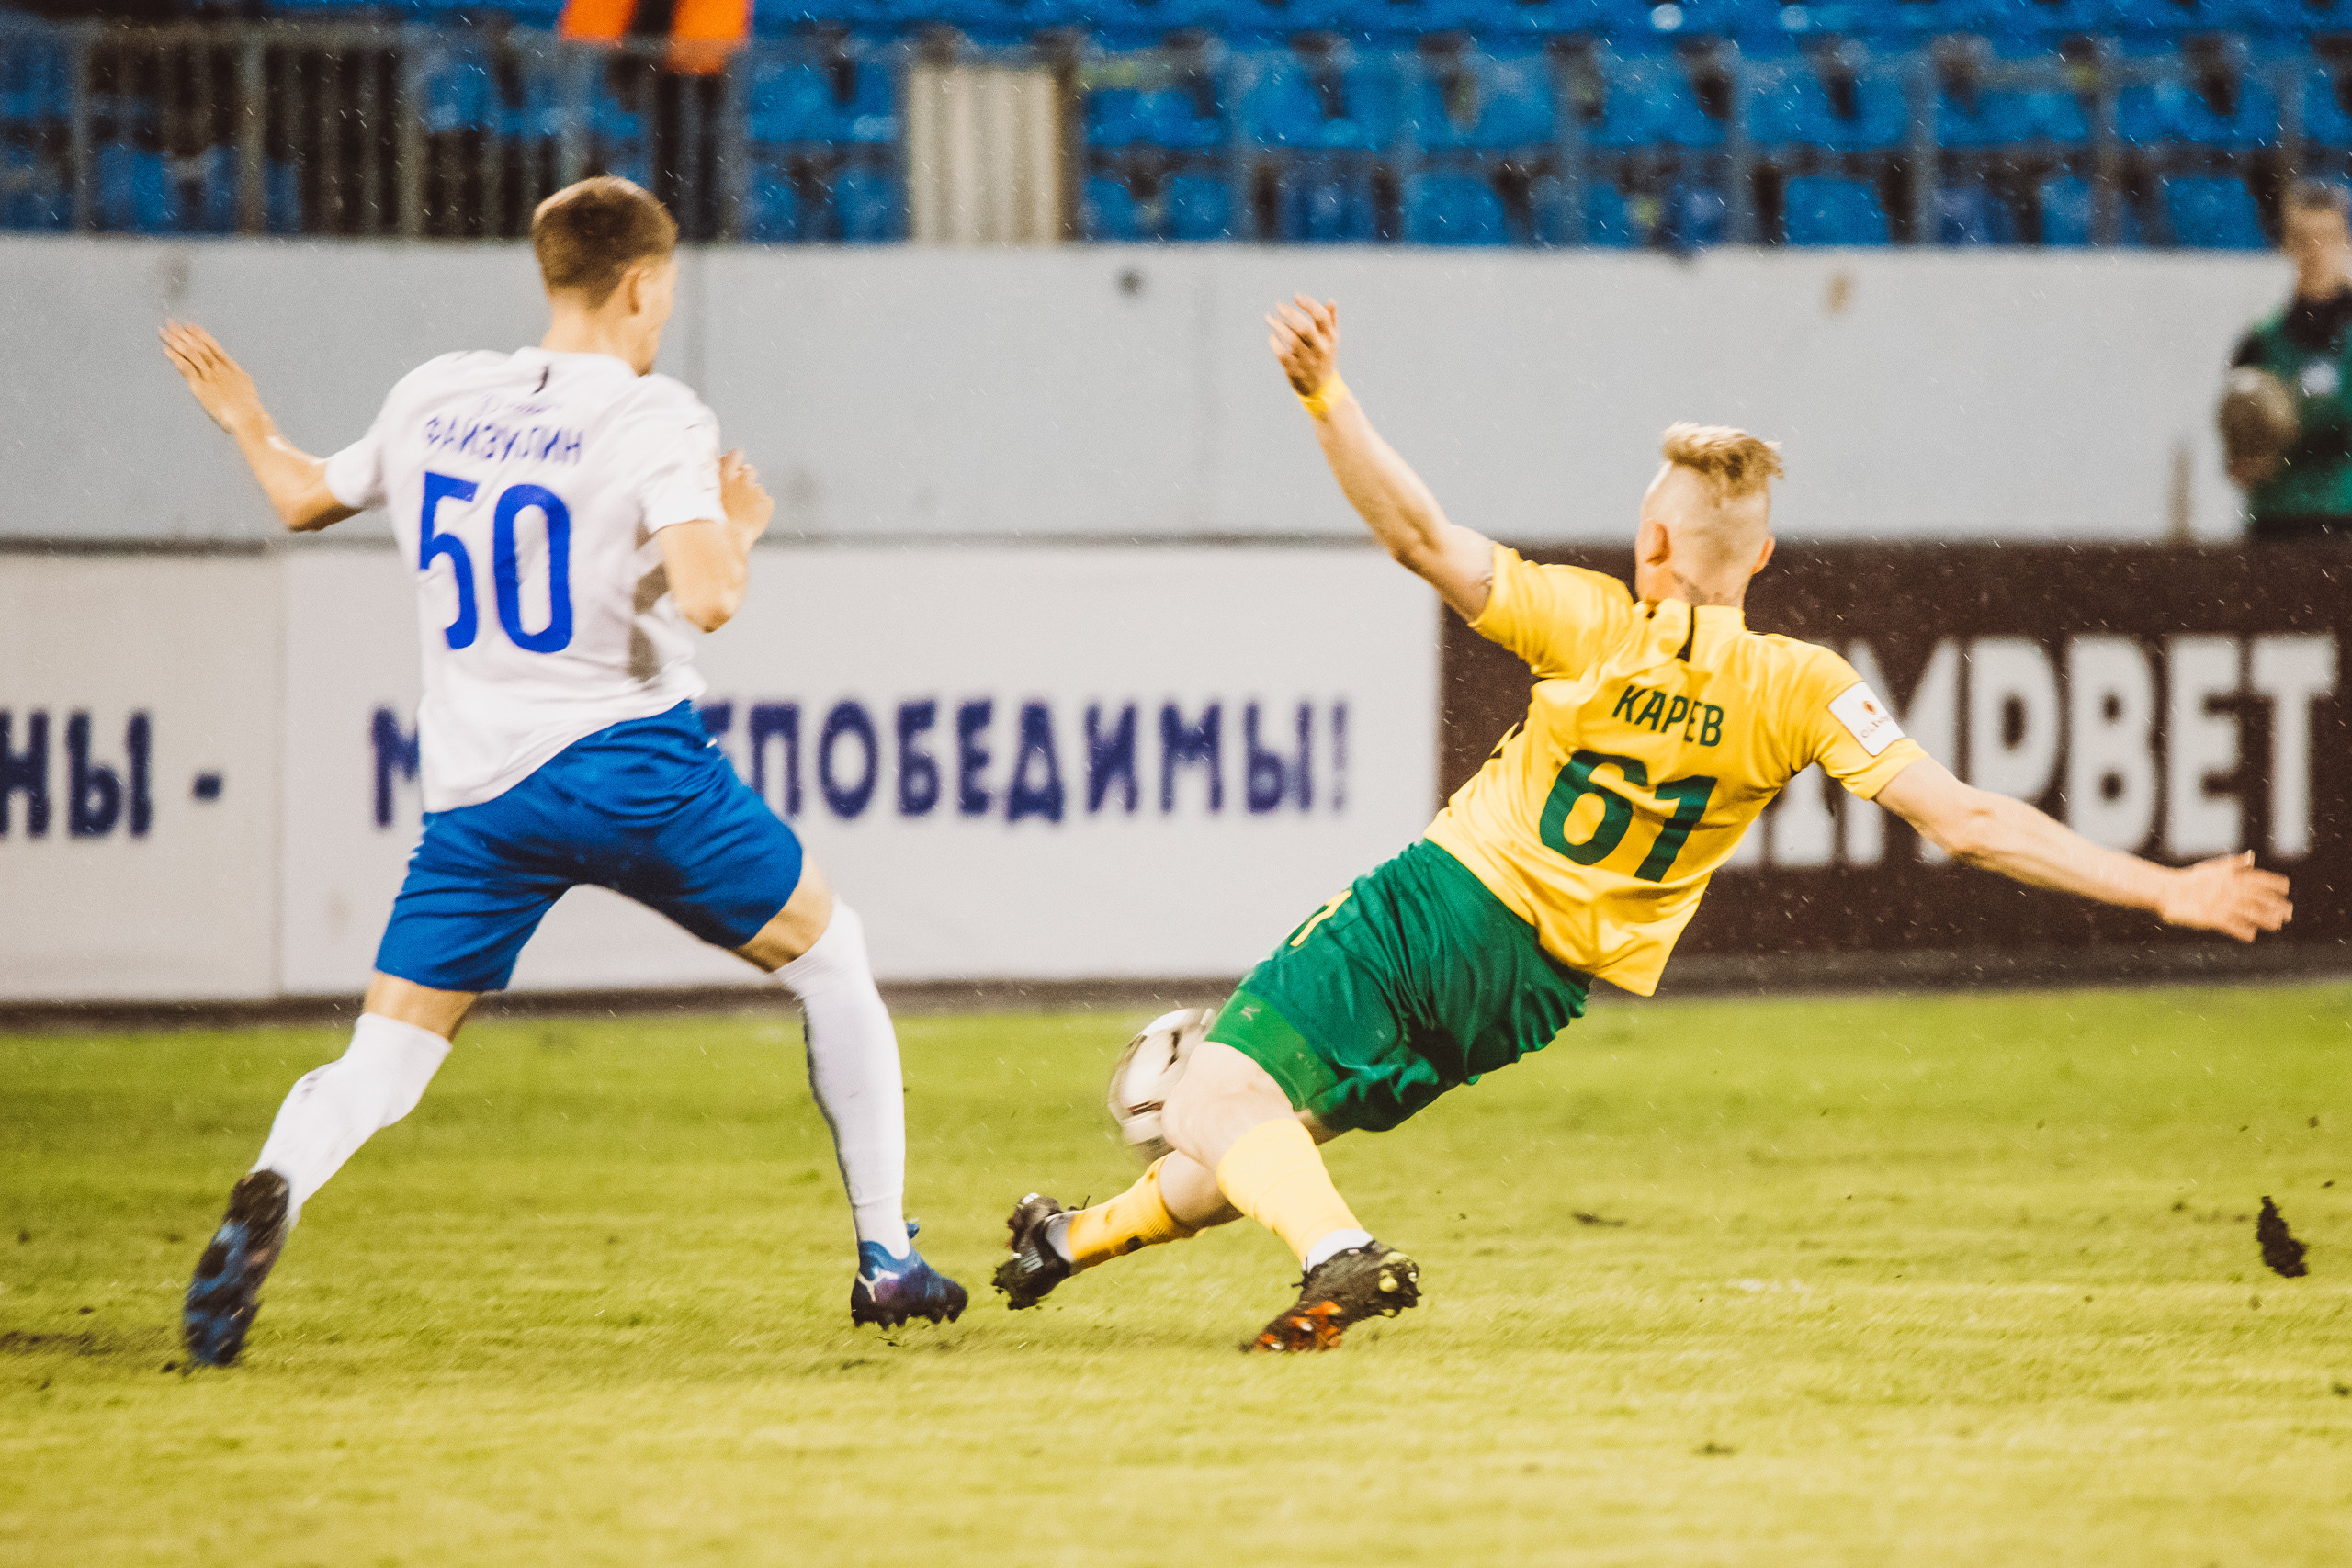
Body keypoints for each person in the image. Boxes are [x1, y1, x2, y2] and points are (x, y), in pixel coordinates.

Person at [994, 294, 2296, 1353]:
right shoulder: (1801, 686)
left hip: (1444, 901)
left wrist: (1327, 396)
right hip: (1538, 991)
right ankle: (1074, 1239)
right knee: (1273, 1132)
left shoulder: (1591, 620)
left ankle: (1341, 1254)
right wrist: (2159, 887)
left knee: (1218, 1085)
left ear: (1653, 541)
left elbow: (1415, 534)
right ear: (1762, 559)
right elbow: (1967, 820)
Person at [161, 175, 965, 1368]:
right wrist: (738, 520)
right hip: (631, 765)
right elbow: (710, 595)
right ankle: (886, 1256)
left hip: (480, 798)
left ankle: (278, 1174)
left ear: (550, 273)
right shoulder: (653, 417)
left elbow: (297, 495)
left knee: (385, 1057)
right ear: (643, 285)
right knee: (832, 956)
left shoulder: (434, 394)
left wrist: (245, 419)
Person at [2229, 179, 2352, 539]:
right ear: (2286, 244)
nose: (2315, 250)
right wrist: (2252, 455)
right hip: (2277, 527)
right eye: (2303, 237)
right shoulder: (2260, 343)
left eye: (2327, 236)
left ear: (2346, 241)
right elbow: (2238, 462)